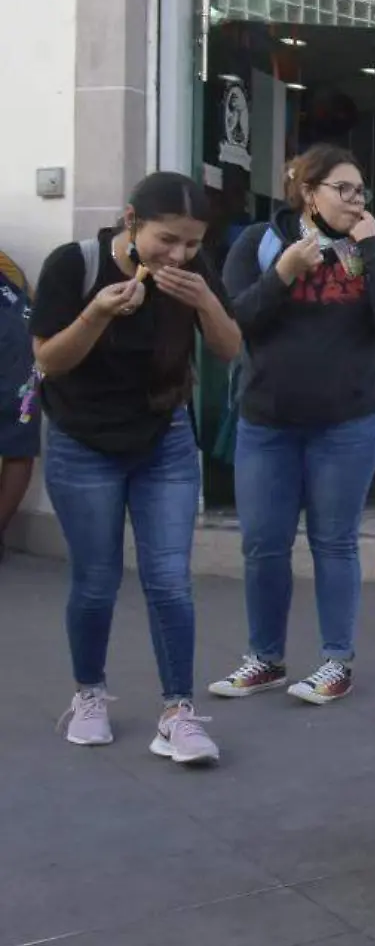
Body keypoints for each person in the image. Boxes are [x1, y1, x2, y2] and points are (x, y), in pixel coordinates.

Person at [29, 171, 241, 762]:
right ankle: (89, 695)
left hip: (164, 438)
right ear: (131, 223)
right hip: (82, 440)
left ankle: (178, 712)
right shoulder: (74, 264)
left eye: (192, 244)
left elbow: (230, 349)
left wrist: (203, 301)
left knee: (170, 581)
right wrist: (96, 314)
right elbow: (48, 359)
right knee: (95, 582)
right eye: (166, 240)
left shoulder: (195, 273)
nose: (178, 254)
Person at [209, 145, 375, 706]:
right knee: (263, 545)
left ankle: (336, 661)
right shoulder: (260, 242)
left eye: (360, 191)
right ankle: (266, 657)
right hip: (268, 420)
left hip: (347, 421)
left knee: (334, 542)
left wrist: (374, 248)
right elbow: (237, 322)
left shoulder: (371, 245)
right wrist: (282, 274)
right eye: (342, 190)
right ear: (308, 192)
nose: (354, 201)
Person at [0, 249, 38, 562]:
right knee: (19, 446)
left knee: (19, 447)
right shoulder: (8, 265)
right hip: (24, 361)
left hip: (17, 356)